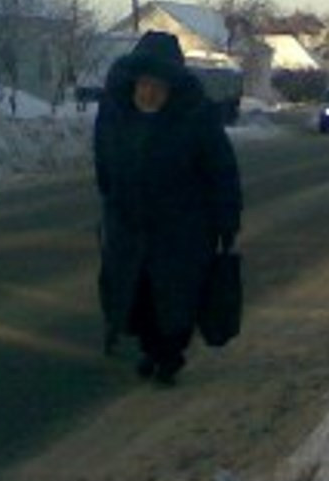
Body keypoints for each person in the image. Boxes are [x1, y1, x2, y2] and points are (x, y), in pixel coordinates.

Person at [93, 31, 243, 385]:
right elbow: (104, 162)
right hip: (129, 225)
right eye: (144, 84)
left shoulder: (196, 117)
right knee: (138, 294)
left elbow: (221, 171)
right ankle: (151, 348)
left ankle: (169, 355)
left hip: (183, 230)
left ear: (171, 87)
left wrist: (227, 219)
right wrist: (111, 200)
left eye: (157, 86)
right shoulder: (116, 116)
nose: (149, 93)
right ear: (133, 83)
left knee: (176, 295)